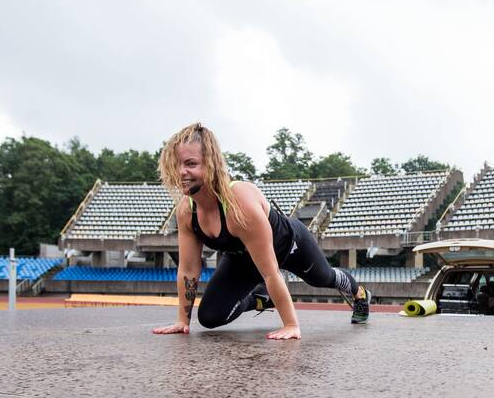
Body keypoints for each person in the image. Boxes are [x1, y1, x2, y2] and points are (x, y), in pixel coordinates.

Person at [151, 122, 370, 340]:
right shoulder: (186, 211)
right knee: (210, 317)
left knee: (323, 277)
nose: (182, 172)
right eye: (177, 165)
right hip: (242, 260)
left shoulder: (240, 204)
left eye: (191, 164)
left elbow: (270, 271)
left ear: (211, 164)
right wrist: (182, 321)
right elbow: (188, 270)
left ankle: (359, 293)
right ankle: (260, 297)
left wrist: (291, 325)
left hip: (289, 245)